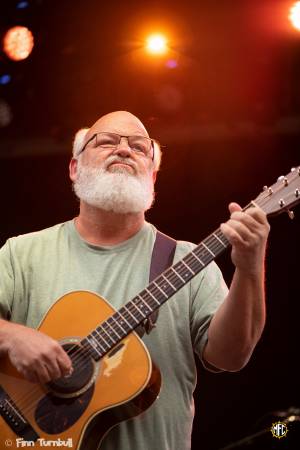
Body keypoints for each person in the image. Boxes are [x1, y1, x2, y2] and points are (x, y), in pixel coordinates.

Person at [0, 111, 270, 449]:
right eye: (107, 142)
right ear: (74, 168)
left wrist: (249, 267)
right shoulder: (21, 253)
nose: (124, 150)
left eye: (140, 148)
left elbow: (231, 357)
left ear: (153, 176)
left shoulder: (188, 261)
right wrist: (11, 335)